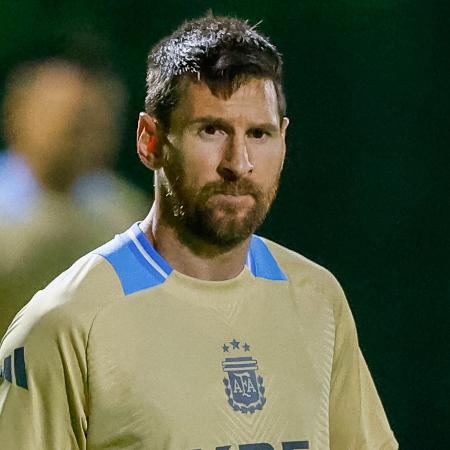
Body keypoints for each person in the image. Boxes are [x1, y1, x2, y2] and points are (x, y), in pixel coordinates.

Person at [0, 15, 398, 449]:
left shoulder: (318, 300)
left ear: (284, 141)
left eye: (259, 134)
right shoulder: (62, 323)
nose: (238, 162)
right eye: (211, 130)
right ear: (150, 141)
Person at [0, 59, 148, 336]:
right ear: (17, 114)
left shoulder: (124, 211)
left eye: (94, 123)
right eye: (70, 121)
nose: (82, 137)